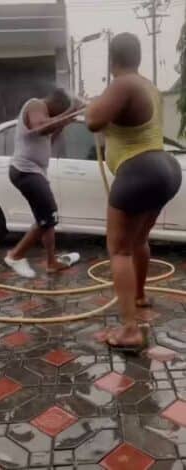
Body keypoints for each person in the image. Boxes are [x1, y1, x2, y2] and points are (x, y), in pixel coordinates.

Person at [85, 32, 181, 348]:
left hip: (139, 170)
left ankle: (129, 330)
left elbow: (93, 121)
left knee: (119, 249)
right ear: (137, 57)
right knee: (138, 240)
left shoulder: (122, 83)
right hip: (165, 169)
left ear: (112, 60)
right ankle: (139, 297)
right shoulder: (148, 86)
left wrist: (90, 106)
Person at [4, 88, 84, 278]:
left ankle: (51, 262)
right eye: (57, 112)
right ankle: (15, 256)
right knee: (49, 216)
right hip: (25, 170)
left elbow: (48, 135)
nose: (55, 116)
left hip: (35, 171)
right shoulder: (35, 104)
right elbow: (40, 127)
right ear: (55, 104)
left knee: (46, 220)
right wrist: (70, 111)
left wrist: (65, 122)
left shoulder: (45, 114)